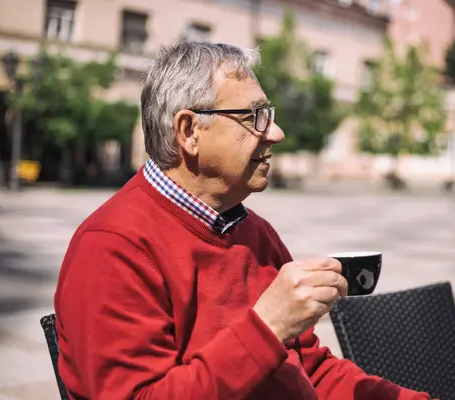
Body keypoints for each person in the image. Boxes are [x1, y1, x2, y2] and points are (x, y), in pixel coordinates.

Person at [54, 42, 431, 400]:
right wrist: (267, 327)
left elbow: (310, 369)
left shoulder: (253, 232)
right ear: (189, 132)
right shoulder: (112, 246)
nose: (277, 134)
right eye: (255, 117)